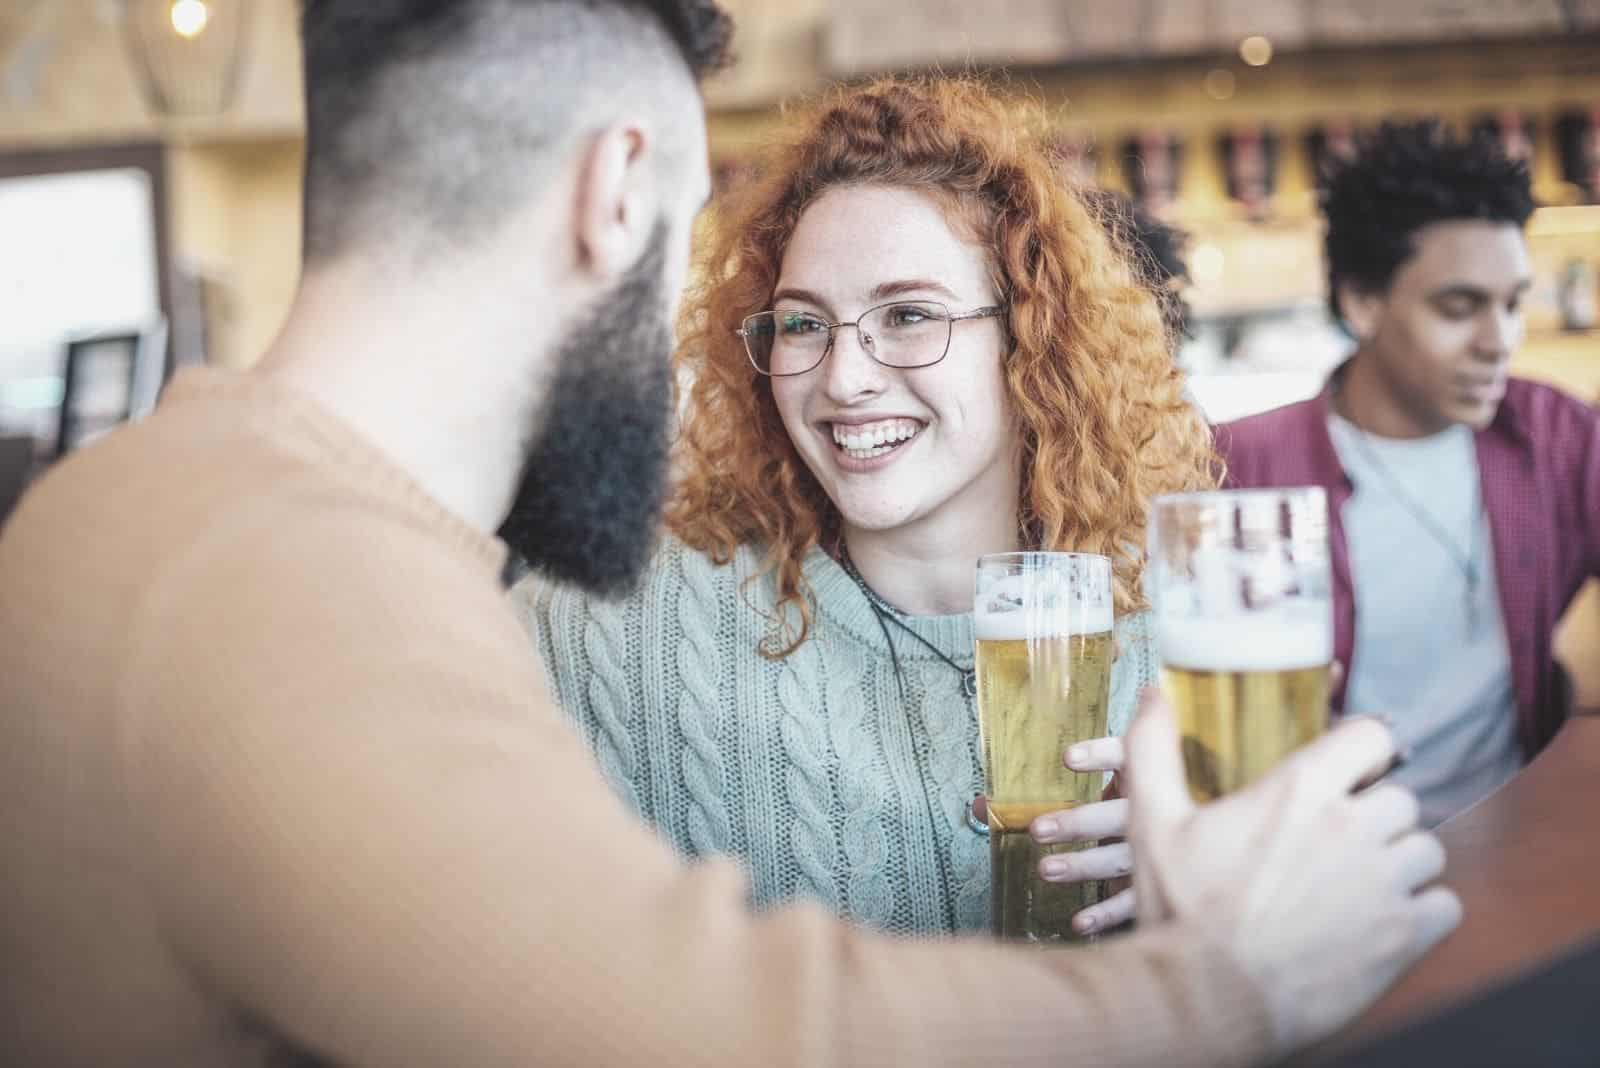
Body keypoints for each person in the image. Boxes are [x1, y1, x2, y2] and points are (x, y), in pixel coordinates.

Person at [0, 5, 1456, 1065]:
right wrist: (1231, 982)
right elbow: (669, 1026)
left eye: (906, 319)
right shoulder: (290, 580)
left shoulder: (229, 520)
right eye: (785, 311)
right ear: (618, 189)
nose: (821, 368)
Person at [516, 78, 1205, 939]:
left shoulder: (1193, 636)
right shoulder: (609, 633)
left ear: (1032, 337)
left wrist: (1201, 905)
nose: (842, 379)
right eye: (802, 325)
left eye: (909, 314)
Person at [1218, 120, 1600, 827]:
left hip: (1515, 848)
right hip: (1314, 865)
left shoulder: (1554, 439)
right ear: (1362, 303)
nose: (1499, 341)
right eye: (1459, 308)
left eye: (1513, 303)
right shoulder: (1238, 469)